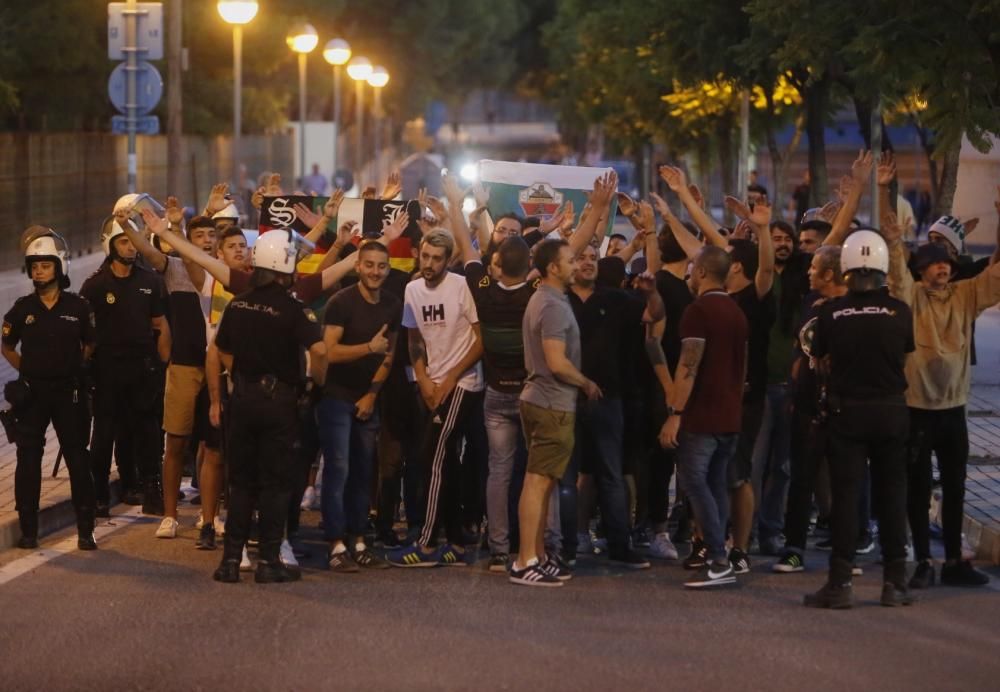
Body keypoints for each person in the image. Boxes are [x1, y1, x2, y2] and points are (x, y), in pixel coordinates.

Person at [884, 215, 1000, 588]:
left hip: (954, 411)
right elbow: (897, 277)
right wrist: (894, 240)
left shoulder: (965, 295)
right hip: (917, 409)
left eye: (947, 263)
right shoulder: (911, 297)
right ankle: (922, 562)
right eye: (935, 263)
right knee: (917, 489)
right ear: (921, 269)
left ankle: (952, 561)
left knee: (956, 486)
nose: (943, 268)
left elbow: (995, 279)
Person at [804, 230, 915, 609]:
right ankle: (895, 583)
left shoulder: (830, 312)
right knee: (892, 496)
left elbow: (820, 360)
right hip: (891, 410)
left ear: (848, 269)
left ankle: (839, 585)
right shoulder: (900, 310)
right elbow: (905, 357)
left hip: (847, 412)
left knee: (847, 498)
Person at [209, 229, 327, 584]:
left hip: (242, 401)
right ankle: (269, 561)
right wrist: (313, 384)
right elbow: (319, 352)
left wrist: (243, 374)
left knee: (241, 482)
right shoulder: (293, 308)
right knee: (275, 484)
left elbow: (222, 349)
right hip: (278, 404)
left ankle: (230, 561)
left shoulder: (238, 303)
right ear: (285, 265)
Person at [388, 228, 485, 567]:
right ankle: (456, 542)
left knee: (435, 454)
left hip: (464, 383)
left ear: (447, 260)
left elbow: (481, 340)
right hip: (432, 382)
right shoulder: (412, 289)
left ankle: (427, 544)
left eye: (436, 259)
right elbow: (414, 341)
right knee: (445, 462)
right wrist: (424, 378)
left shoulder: (460, 286)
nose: (428, 264)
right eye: (424, 256)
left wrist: (450, 379)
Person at [511, 239, 601, 587]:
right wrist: (586, 383)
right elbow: (556, 361)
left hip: (543, 400)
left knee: (543, 482)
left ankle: (537, 556)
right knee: (537, 483)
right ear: (553, 267)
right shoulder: (553, 305)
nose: (576, 264)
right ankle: (525, 561)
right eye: (569, 259)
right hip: (551, 403)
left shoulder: (547, 298)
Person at [2, 229, 98, 550]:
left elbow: (90, 344)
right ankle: (29, 531)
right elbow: (7, 345)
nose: (39, 271)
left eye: (46, 265)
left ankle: (86, 528)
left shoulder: (79, 306)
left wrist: (72, 368)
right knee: (28, 459)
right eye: (35, 266)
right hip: (33, 395)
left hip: (68, 394)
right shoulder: (22, 308)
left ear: (60, 267)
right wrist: (26, 371)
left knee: (77, 459)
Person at [659, 246, 748, 589]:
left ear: (701, 272)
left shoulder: (697, 311)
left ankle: (718, 558)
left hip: (702, 416)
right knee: (715, 485)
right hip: (729, 415)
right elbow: (743, 368)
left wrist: (675, 413)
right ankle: (720, 555)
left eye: (693, 268)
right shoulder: (737, 313)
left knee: (695, 483)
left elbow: (687, 366)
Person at [318, 240, 401, 573]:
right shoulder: (340, 302)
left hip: (368, 400)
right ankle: (335, 544)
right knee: (338, 470)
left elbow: (390, 354)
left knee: (364, 473)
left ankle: (359, 540)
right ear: (358, 266)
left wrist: (371, 395)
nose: (375, 272)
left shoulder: (394, 304)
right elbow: (327, 352)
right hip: (335, 397)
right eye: (369, 265)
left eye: (381, 266)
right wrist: (368, 347)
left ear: (388, 269)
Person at [81, 217, 170, 518]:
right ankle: (99, 496)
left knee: (148, 433)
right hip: (106, 372)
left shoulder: (151, 282)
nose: (130, 247)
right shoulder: (93, 286)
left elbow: (159, 325)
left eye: (133, 242)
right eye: (123, 241)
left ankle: (152, 492)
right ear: (110, 245)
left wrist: (161, 368)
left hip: (142, 371)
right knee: (103, 435)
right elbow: (84, 334)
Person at [774, 246, 847, 573]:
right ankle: (793, 549)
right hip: (805, 404)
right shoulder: (809, 303)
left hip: (841, 407)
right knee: (801, 479)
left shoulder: (849, 308)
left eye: (815, 267)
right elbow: (797, 347)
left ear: (830, 273)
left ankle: (846, 551)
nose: (808, 272)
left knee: (846, 479)